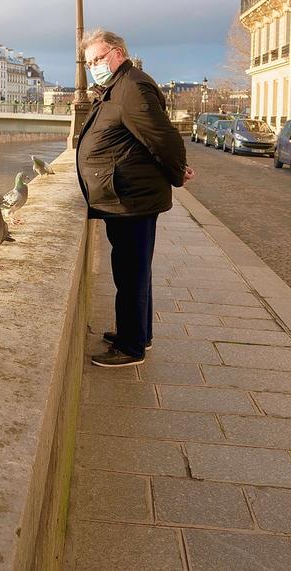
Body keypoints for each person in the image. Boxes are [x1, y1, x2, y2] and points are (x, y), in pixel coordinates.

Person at [75, 28, 194, 367]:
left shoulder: (131, 87)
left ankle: (131, 347)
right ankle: (139, 333)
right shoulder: (118, 86)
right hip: (123, 196)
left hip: (132, 199)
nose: (94, 66)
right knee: (133, 270)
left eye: (97, 58)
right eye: (89, 62)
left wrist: (178, 173)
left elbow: (163, 138)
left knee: (131, 273)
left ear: (118, 54)